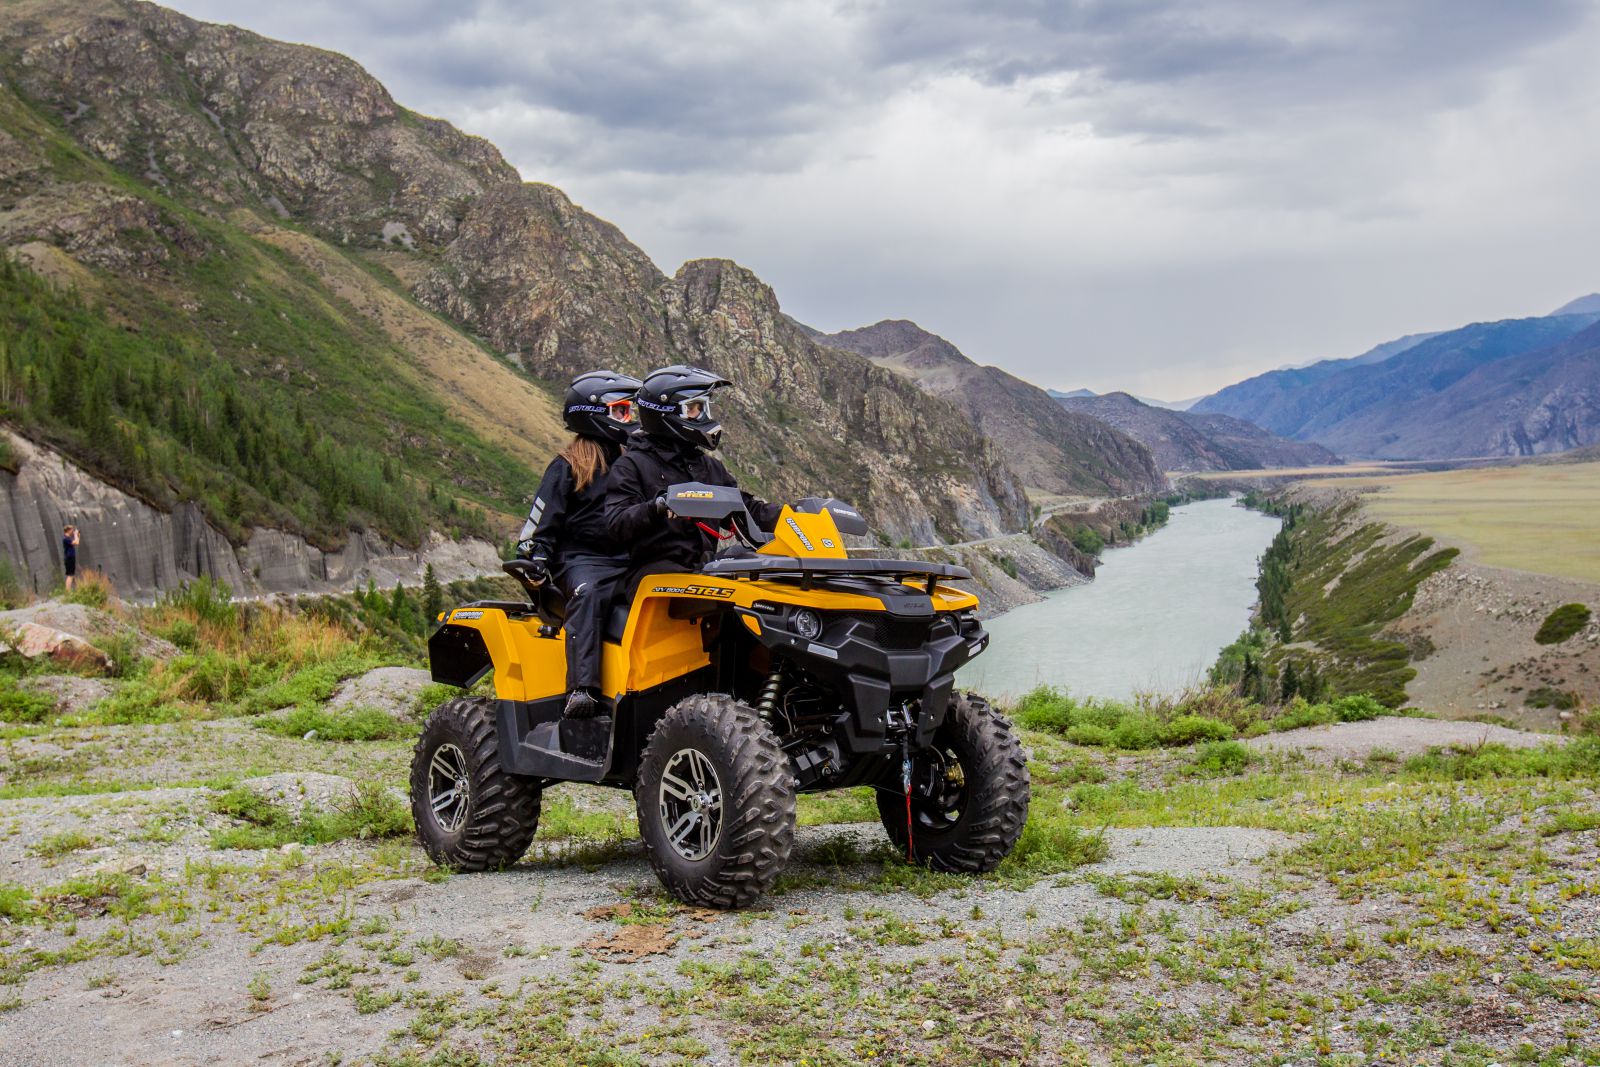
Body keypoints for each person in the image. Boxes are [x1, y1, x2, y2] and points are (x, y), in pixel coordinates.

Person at [516, 370, 642, 719]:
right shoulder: (567, 465)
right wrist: (534, 556)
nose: (627, 419)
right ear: (594, 414)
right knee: (588, 595)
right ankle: (582, 690)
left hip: (627, 558)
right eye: (620, 411)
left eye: (628, 411)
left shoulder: (631, 462)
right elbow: (541, 520)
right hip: (580, 561)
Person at [605, 365, 782, 587]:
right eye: (694, 408)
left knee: (759, 577)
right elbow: (615, 524)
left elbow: (747, 510)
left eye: (703, 408)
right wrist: (658, 506)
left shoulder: (710, 467)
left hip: (704, 570)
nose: (703, 416)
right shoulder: (632, 464)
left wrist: (793, 515)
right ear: (667, 413)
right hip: (654, 575)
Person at [62, 524, 79, 591]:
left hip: (70, 557)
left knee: (71, 575)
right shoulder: (66, 538)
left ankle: (68, 590)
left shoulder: (68, 538)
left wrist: (77, 535)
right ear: (68, 530)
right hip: (69, 558)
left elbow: (77, 542)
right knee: (70, 575)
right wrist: (76, 535)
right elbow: (76, 542)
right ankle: (67, 591)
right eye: (72, 530)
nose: (72, 531)